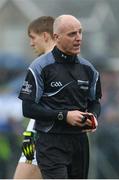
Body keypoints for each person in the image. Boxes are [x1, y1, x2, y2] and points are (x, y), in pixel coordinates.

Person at [18, 14, 102, 179]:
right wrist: (64, 116)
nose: (78, 38)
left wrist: (93, 117)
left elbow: (95, 103)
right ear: (55, 37)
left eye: (80, 32)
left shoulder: (89, 69)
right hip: (47, 141)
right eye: (72, 34)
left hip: (79, 143)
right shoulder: (40, 66)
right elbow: (27, 109)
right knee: (20, 178)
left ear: (45, 36)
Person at [13, 16, 55, 179]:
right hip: (33, 134)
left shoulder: (44, 64)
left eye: (32, 37)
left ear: (45, 36)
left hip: (38, 135)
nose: (31, 43)